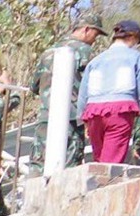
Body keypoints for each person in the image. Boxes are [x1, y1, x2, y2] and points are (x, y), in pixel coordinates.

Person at [30, 11, 106, 164]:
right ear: (86, 30)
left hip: (45, 118)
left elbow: (34, 86)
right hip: (71, 120)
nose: (94, 40)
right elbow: (97, 88)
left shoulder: (48, 52)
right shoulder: (86, 52)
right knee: (68, 167)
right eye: (95, 35)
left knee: (39, 165)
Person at [78, 20, 140, 165]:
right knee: (111, 165)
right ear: (133, 37)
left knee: (99, 161)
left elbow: (83, 95)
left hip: (93, 113)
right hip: (120, 113)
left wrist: (84, 122)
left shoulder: (95, 61)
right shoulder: (137, 58)